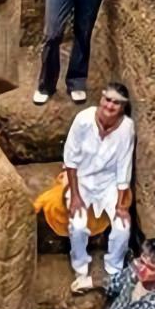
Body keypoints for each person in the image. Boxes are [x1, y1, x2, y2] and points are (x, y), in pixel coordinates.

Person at [62, 83, 135, 294]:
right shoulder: (83, 120)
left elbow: (124, 167)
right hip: (82, 179)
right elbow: (71, 160)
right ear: (101, 99)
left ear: (122, 107)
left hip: (109, 183)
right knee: (77, 224)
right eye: (107, 100)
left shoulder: (126, 128)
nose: (110, 106)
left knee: (122, 227)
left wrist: (121, 206)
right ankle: (80, 267)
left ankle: (113, 271)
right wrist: (75, 196)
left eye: (116, 103)